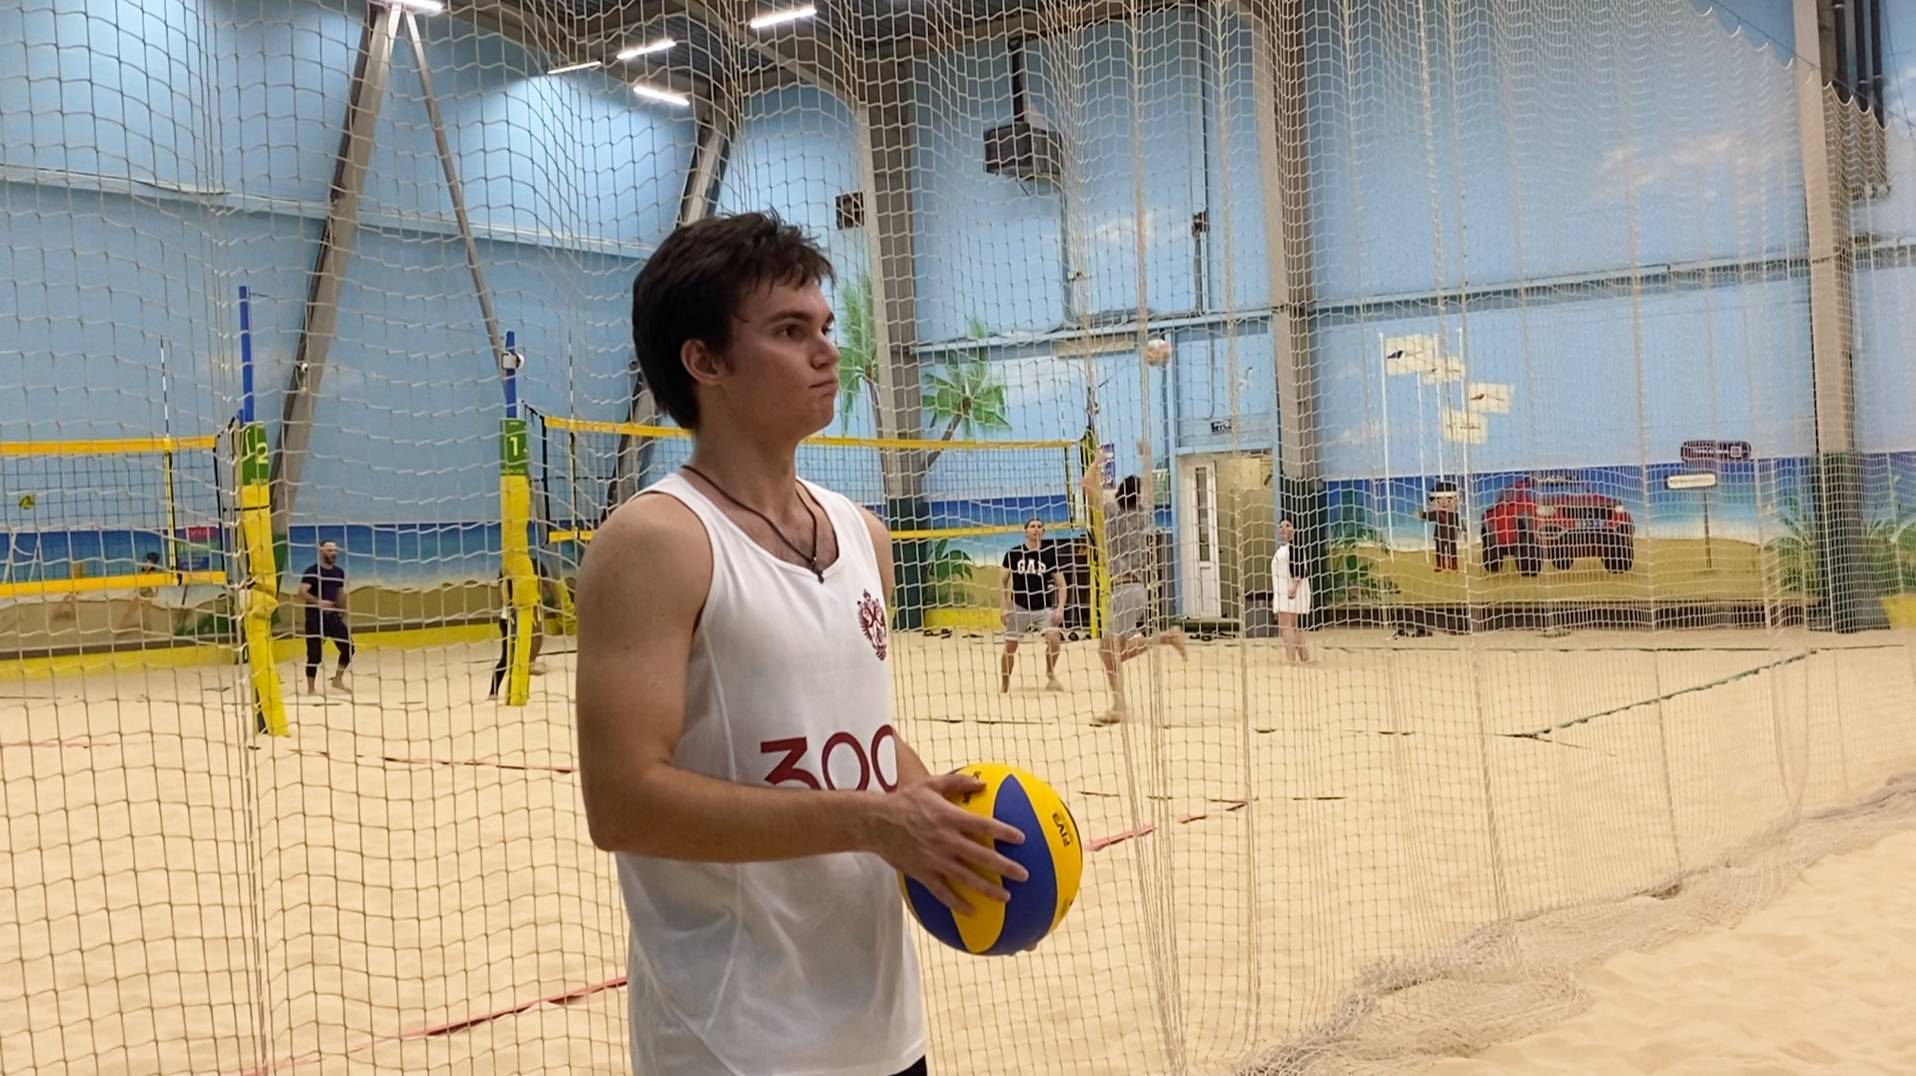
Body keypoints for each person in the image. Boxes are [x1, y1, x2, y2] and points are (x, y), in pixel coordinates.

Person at [574, 211, 1027, 1076]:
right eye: (790, 331)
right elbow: (623, 804)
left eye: (825, 327)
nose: (827, 351)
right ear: (704, 361)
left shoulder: (863, 533)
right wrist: (874, 820)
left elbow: (852, 737)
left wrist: (934, 809)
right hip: (736, 1043)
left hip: (882, 1026)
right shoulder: (656, 542)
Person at [1083, 464, 1187, 726]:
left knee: (1108, 652)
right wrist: (1145, 456)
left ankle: (1119, 705)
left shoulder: (1112, 512)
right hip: (1136, 589)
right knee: (1111, 653)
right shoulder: (1144, 513)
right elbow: (1149, 488)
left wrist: (1096, 461)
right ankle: (1165, 638)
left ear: (1119, 492)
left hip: (1124, 590)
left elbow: (1086, 484)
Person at [1000, 518, 1067, 693]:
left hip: (1042, 607)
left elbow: (1062, 584)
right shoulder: (1013, 554)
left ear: (1043, 531)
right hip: (1019, 606)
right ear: (1025, 531)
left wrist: (1060, 608)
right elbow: (1002, 583)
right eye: (1032, 526)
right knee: (1010, 648)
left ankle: (1050, 674)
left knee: (1054, 640)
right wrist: (1004, 607)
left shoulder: (1049, 554)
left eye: (1039, 527)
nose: (1036, 529)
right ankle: (1004, 685)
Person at [297, 540, 352, 694]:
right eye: (329, 551)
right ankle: (311, 689)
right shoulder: (312, 571)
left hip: (332, 617)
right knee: (314, 654)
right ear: (321, 552)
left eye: (334, 551)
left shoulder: (338, 572)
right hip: (315, 617)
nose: (333, 553)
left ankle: (337, 680)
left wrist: (343, 611)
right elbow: (302, 592)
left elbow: (339, 592)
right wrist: (318, 602)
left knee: (348, 647)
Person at [1272, 517, 1312, 663]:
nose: (1283, 529)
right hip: (1285, 590)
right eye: (1281, 526)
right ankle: (1304, 658)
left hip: (1290, 591)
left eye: (1287, 525)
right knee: (1294, 626)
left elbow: (1299, 568)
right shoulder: (1284, 548)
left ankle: (1291, 660)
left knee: (1286, 626)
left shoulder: (1295, 546)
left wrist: (1293, 587)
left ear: (1294, 529)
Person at [1417, 481, 1461, 572]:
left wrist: (1463, 529)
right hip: (1439, 536)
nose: (1444, 503)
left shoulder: (1454, 514)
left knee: (1452, 551)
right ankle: (1440, 565)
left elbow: (1459, 522)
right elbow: (1428, 516)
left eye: (1449, 500)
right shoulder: (1437, 514)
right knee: (1440, 551)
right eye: (1438, 501)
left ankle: (1453, 565)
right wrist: (1421, 514)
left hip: (1451, 536)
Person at [117, 550, 166, 630]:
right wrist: (134, 589)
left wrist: (156, 592)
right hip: (140, 593)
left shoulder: (154, 574)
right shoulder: (141, 572)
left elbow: (158, 583)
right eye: (146, 562)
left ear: (153, 565)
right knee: (129, 611)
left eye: (150, 563)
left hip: (148, 594)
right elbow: (138, 582)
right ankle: (120, 628)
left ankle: (148, 631)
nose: (147, 565)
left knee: (145, 614)